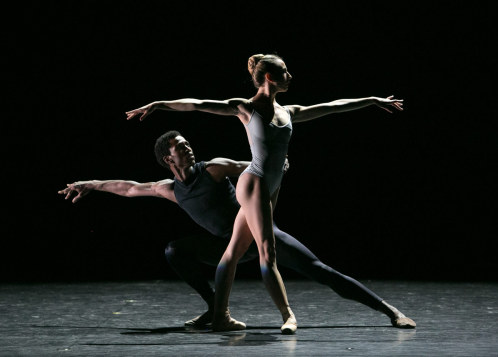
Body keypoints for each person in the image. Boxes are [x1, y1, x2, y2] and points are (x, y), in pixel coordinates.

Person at [125, 53, 406, 333]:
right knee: (266, 253)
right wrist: (158, 104)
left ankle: (221, 316)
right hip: (254, 182)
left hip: (270, 188)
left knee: (242, 254)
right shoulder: (246, 108)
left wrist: (372, 100)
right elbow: (197, 105)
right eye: (285, 71)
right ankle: (286, 315)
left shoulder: (289, 112)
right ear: (269, 78)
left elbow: (332, 107)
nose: (290, 76)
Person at [59, 130, 416, 333]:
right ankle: (216, 309)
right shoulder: (170, 188)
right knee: (174, 250)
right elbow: (128, 187)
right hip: (226, 246)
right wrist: (89, 184)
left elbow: (247, 165)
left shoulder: (212, 169)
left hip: (260, 235)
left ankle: (390, 311)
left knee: (321, 271)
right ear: (169, 159)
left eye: (187, 143)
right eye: (180, 147)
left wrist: (276, 164)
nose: (188, 147)